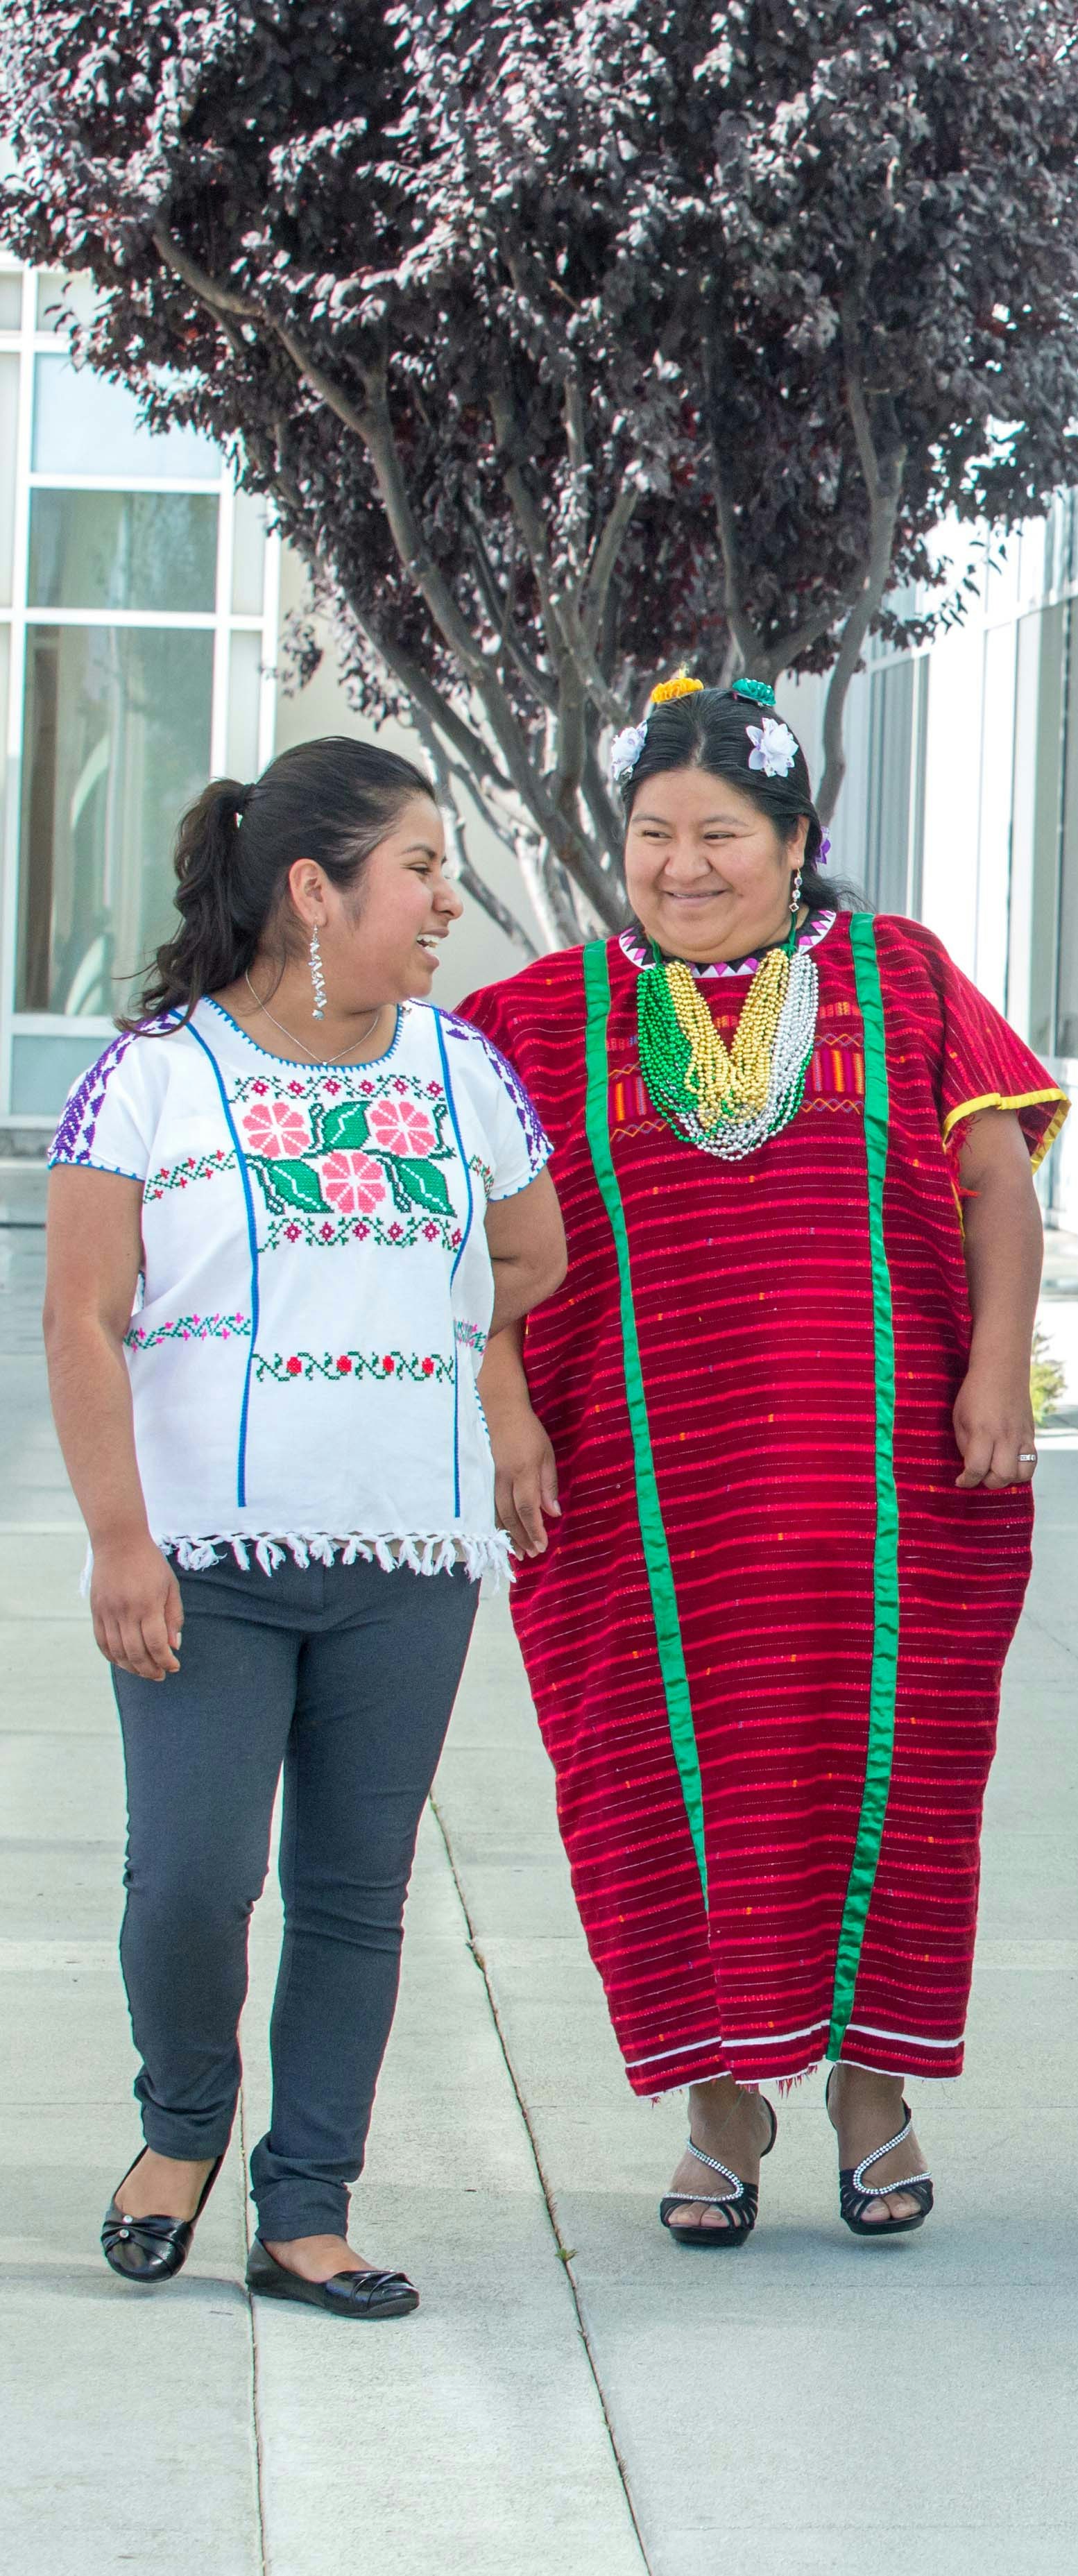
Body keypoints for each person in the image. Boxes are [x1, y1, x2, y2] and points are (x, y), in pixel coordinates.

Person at [461, 676, 1064, 2247]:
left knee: (896, 1775)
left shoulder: (903, 979)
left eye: (721, 832)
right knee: (661, 1782)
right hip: (636, 1504)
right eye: (655, 833)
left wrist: (999, 1367)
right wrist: (506, 1410)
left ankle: (877, 2087)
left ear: (796, 843)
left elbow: (998, 1189)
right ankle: (718, 2098)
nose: (683, 864)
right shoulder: (528, 1021)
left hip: (890, 1496)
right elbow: (472, 1248)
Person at [48, 741, 567, 2321]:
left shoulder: (461, 1071)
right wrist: (122, 1541)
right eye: (420, 867)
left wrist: (433, 1343)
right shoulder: (151, 1076)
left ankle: (307, 2209)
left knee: (356, 1892)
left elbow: (527, 1253)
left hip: (408, 1561)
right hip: (203, 1559)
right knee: (191, 1882)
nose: (446, 901)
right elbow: (81, 1319)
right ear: (311, 890)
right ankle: (182, 2128)